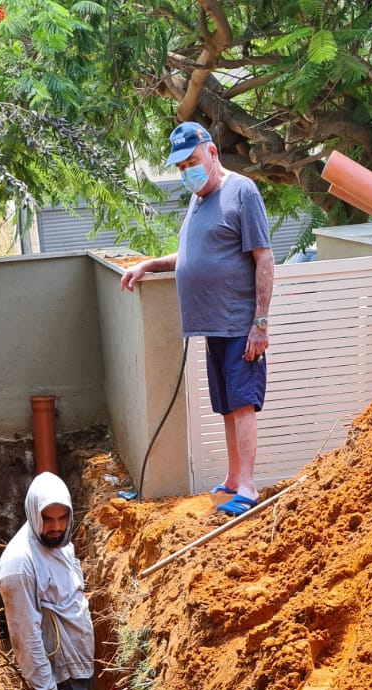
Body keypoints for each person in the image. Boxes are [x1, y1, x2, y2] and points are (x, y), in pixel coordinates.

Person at [119, 122, 274, 517]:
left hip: (239, 323)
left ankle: (250, 489)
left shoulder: (242, 192)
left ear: (211, 153)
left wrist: (260, 324)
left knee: (242, 405)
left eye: (191, 161)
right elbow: (187, 256)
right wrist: (151, 265)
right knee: (225, 405)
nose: (186, 170)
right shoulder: (199, 201)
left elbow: (264, 257)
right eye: (180, 165)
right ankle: (233, 477)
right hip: (212, 326)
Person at [0, 470, 99, 690]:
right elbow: (24, 636)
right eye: (47, 519)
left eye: (62, 517)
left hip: (78, 665)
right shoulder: (20, 565)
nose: (55, 526)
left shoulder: (60, 545)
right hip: (60, 677)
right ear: (32, 514)